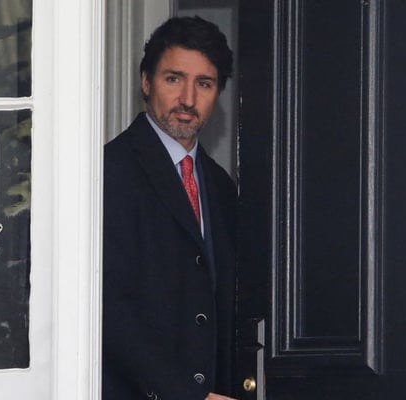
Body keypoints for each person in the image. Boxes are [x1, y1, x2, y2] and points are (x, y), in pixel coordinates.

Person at [103, 16, 238, 400]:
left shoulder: (223, 188)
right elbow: (107, 306)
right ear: (146, 82)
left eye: (205, 83)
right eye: (174, 79)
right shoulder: (106, 172)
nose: (188, 100)